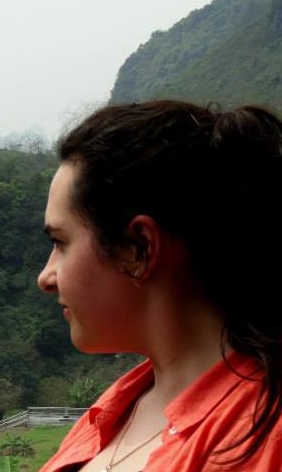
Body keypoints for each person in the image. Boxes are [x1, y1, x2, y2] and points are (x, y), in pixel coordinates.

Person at [36, 100, 282, 471]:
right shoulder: (117, 407)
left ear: (139, 248)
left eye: (60, 243)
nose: (46, 277)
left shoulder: (262, 435)